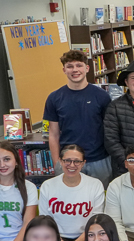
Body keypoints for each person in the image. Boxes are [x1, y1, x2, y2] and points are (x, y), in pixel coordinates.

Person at [44, 49, 112, 187]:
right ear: (64, 70)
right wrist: (57, 163)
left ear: (87, 68)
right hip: (69, 161)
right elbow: (53, 134)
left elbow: (110, 130)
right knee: (70, 198)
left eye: (79, 65)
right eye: (70, 66)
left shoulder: (102, 96)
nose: (75, 70)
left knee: (101, 196)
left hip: (98, 160)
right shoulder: (54, 98)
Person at [38, 144, 105, 241]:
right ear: (60, 161)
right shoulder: (48, 186)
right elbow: (45, 222)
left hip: (87, 237)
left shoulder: (95, 185)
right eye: (67, 160)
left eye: (77, 161)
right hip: (54, 237)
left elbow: (96, 221)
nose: (72, 165)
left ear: (83, 163)